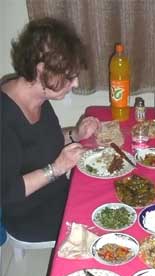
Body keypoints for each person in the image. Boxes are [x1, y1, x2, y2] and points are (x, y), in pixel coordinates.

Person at [1, 17, 100, 242]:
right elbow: (6, 193)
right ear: (41, 70)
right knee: (102, 222)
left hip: (57, 192)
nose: (75, 83)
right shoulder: (4, 117)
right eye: (69, 76)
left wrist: (75, 134)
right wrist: (56, 168)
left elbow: (43, 142)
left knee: (109, 191)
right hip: (28, 214)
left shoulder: (36, 96)